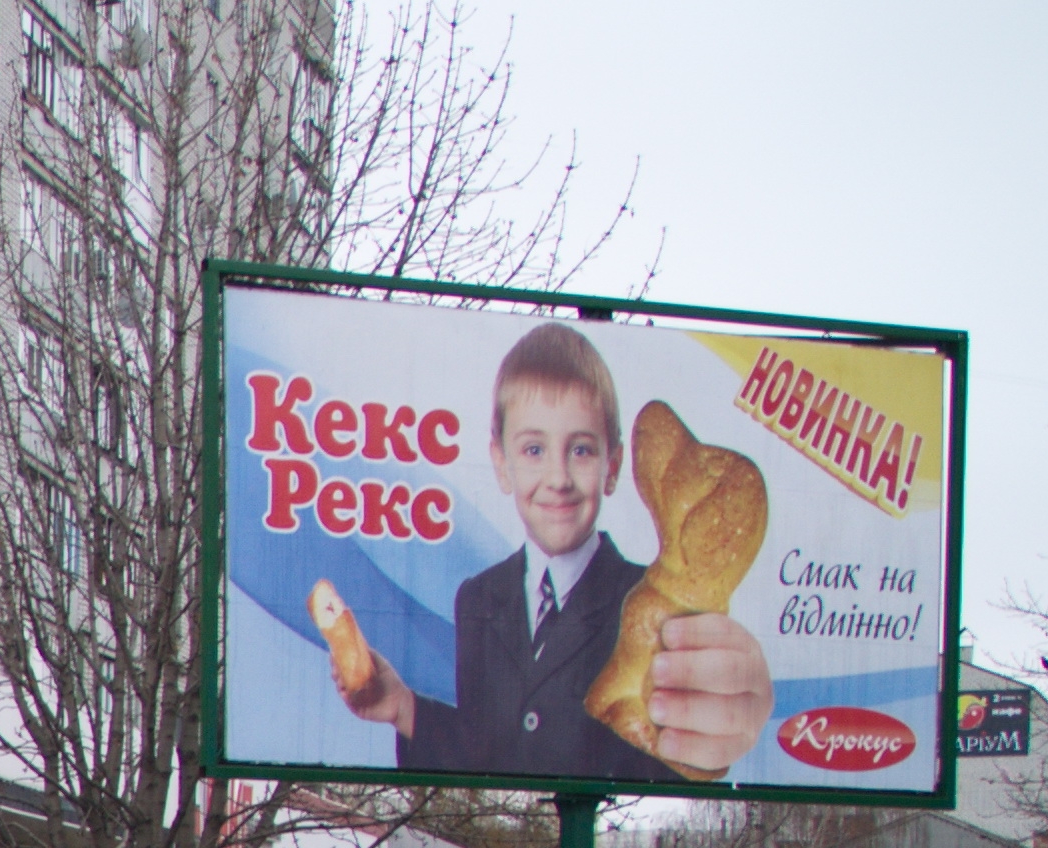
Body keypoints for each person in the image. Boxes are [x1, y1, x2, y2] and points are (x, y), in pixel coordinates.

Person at [328, 322, 772, 783]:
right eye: (534, 449)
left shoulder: (654, 610)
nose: (558, 477)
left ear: (613, 467)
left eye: (580, 450)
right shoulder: (477, 599)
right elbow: (484, 758)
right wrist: (403, 708)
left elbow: (676, 746)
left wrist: (719, 734)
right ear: (501, 465)